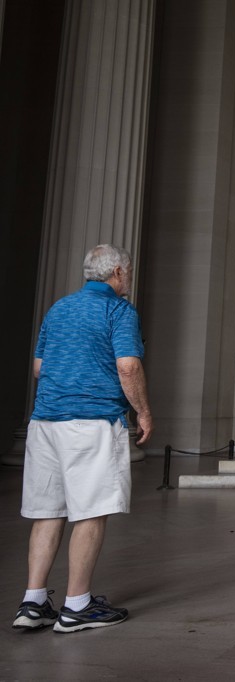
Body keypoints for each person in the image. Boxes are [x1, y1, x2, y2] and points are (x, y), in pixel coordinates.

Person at [14, 244, 152, 633]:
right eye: (128, 273)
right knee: (90, 511)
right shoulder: (118, 310)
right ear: (119, 274)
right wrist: (143, 411)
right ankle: (77, 605)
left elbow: (40, 368)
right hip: (91, 422)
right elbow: (127, 366)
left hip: (45, 423)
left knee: (47, 512)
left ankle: (33, 602)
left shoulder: (59, 309)